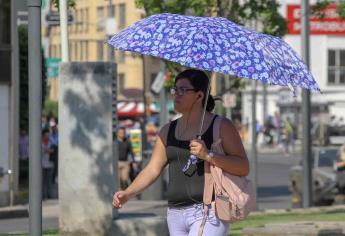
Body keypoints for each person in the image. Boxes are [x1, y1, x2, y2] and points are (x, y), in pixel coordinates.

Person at [112, 69, 249, 236]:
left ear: (199, 96)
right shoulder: (167, 130)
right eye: (175, 89)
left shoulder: (221, 126)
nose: (176, 94)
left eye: (183, 90)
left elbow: (243, 167)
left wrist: (208, 155)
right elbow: (152, 169)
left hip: (208, 210)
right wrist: (128, 193)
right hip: (175, 214)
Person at [42, 129, 54, 200]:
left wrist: (48, 150)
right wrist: (47, 150)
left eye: (48, 135)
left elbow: (53, 150)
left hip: (50, 164)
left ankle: (49, 194)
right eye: (46, 135)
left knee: (49, 181)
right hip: (42, 164)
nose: (47, 136)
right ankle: (43, 195)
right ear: (43, 136)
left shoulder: (51, 142)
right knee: (43, 181)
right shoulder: (40, 142)